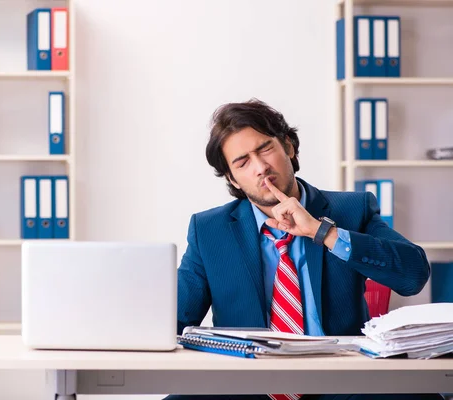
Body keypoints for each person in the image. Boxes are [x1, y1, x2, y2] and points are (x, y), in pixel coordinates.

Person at [165, 99, 443, 400]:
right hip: (247, 387)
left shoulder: (351, 210)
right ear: (232, 179)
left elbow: (413, 275)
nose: (261, 168)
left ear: (288, 147)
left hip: (341, 385)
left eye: (265, 149)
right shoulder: (210, 230)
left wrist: (322, 231)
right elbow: (176, 318)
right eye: (242, 162)